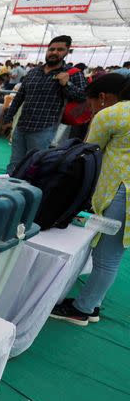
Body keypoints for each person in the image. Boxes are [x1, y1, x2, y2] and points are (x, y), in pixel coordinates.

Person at [50, 77, 130, 325]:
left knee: (104, 257)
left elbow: (89, 153)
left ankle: (82, 309)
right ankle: (91, 304)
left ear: (102, 97)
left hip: (115, 194)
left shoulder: (113, 114)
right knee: (112, 257)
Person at [2, 35, 87, 174]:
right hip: (22, 126)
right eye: (51, 49)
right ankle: (9, 191)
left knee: (34, 166)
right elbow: (19, 97)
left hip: (44, 129)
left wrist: (67, 84)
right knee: (15, 163)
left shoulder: (71, 74)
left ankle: (28, 193)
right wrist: (7, 119)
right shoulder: (34, 72)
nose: (54, 52)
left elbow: (83, 98)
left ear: (67, 51)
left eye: (60, 49)